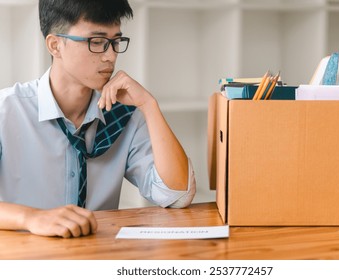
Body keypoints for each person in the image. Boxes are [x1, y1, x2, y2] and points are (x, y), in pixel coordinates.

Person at [0, 0, 196, 238]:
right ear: (55, 45)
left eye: (116, 42)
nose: (110, 56)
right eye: (97, 42)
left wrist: (149, 105)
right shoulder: (6, 111)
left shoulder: (122, 115)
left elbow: (176, 195)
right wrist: (31, 218)